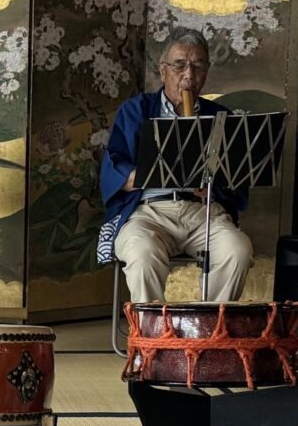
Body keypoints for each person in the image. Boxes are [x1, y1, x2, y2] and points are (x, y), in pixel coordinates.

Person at [98, 28, 252, 304]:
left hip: (203, 214)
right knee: (142, 252)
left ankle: (209, 334)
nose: (189, 76)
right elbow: (115, 166)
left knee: (237, 250)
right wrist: (150, 174)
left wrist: (215, 186)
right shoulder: (137, 110)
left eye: (198, 66)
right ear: (163, 70)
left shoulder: (221, 117)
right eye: (180, 65)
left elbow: (236, 181)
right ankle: (153, 340)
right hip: (150, 213)